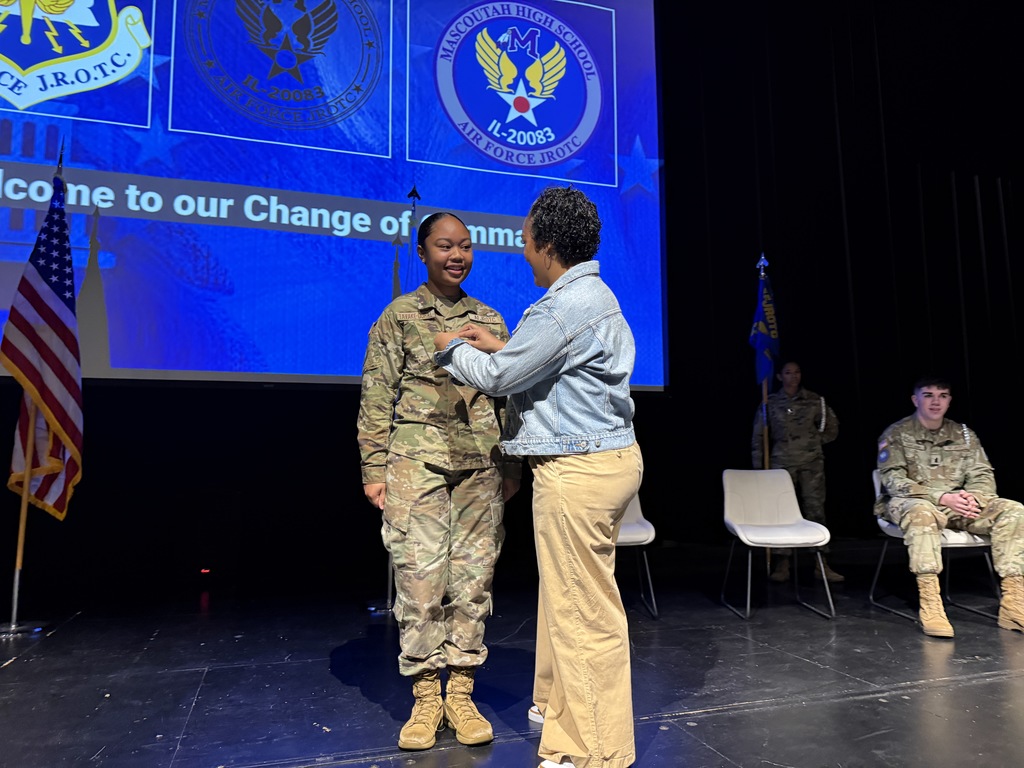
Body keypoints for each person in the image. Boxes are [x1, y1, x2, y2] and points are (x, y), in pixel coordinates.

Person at [433, 186, 643, 768]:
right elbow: (563, 368)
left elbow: (500, 380)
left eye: (526, 242)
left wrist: (452, 349)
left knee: (583, 614)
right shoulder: (592, 297)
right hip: (608, 461)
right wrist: (502, 346)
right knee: (566, 598)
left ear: (548, 246)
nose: (522, 252)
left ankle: (595, 751)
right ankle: (557, 707)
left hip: (577, 471)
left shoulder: (559, 307)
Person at [356, 212, 520, 750]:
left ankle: (463, 693)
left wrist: (513, 466)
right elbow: (377, 396)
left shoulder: (490, 319)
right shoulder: (399, 316)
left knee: (473, 582)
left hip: (481, 466)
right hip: (414, 467)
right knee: (420, 583)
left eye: (466, 247)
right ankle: (427, 697)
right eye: (446, 246)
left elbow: (512, 397)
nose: (458, 255)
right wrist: (373, 469)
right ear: (423, 252)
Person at [876, 376, 1024, 638]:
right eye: (929, 395)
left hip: (957, 503)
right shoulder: (896, 433)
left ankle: (1013, 604)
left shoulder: (964, 434)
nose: (936, 401)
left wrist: (974, 499)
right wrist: (942, 497)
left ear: (949, 400)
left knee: (1014, 510)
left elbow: (982, 473)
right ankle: (931, 604)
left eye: (942, 395)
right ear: (915, 399)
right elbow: (893, 480)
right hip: (912, 503)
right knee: (921, 514)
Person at [751, 361, 844, 582]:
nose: (793, 376)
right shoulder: (770, 402)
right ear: (780, 377)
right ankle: (782, 563)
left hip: (811, 463)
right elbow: (758, 436)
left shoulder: (814, 400)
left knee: (815, 510)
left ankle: (821, 563)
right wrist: (758, 467)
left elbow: (832, 428)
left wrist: (813, 443)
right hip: (781, 463)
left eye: (797, 372)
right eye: (788, 373)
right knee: (782, 513)